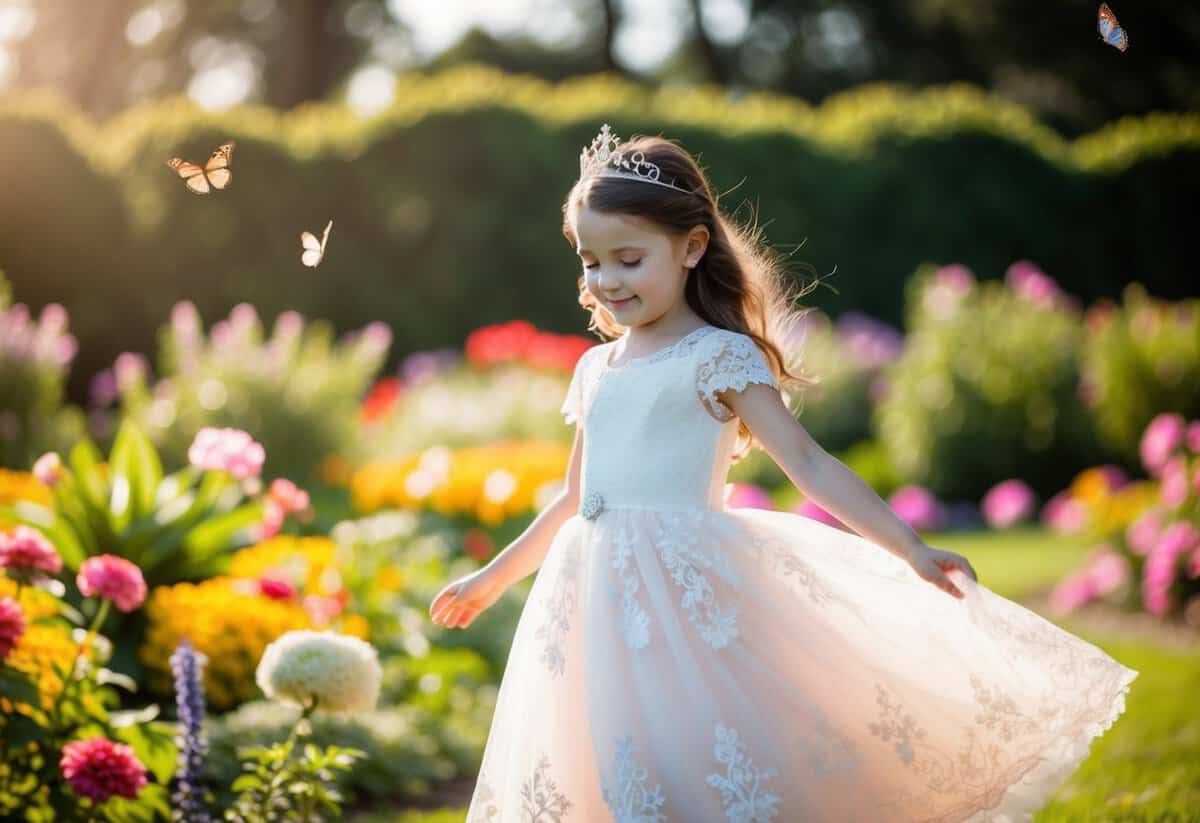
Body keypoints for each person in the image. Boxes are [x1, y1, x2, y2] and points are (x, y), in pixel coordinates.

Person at [429, 123, 1138, 822]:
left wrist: (909, 545)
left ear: (691, 247)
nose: (606, 280)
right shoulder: (595, 370)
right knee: (610, 765)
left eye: (628, 258)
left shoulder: (717, 357)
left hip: (684, 601)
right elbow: (574, 499)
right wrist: (491, 578)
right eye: (591, 261)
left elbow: (807, 462)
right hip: (590, 603)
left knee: (695, 760)